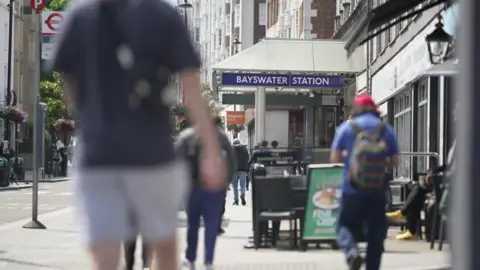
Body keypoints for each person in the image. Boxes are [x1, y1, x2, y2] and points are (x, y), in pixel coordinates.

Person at [49, 0, 228, 269]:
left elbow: (70, 86)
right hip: (151, 155)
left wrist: (93, 119)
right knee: (165, 243)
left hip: (97, 157)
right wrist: (212, 151)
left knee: (105, 255)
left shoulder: (79, 15)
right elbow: (192, 90)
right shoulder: (162, 15)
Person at [331, 94, 399, 270]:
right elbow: (395, 160)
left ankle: (351, 253)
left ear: (356, 110)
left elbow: (335, 158)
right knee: (376, 232)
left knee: (344, 224)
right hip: (377, 189)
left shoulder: (346, 128)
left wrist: (350, 159)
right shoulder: (386, 130)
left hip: (351, 188)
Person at [176, 116, 236, 270]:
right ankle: (208, 260)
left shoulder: (187, 136)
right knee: (211, 224)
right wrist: (225, 183)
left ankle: (190, 258)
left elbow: (176, 161)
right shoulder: (221, 137)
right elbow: (231, 161)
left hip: (192, 187)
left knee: (193, 224)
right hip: (215, 188)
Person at [231, 139, 250, 205]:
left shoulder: (232, 149)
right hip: (243, 169)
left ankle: (236, 200)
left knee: (235, 186)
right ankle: (242, 194)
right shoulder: (244, 149)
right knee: (243, 184)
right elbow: (248, 158)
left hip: (234, 170)